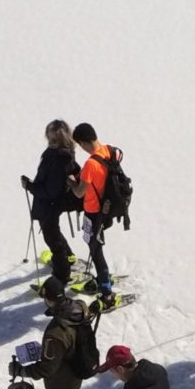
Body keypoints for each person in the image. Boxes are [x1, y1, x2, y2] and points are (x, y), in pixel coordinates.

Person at [22, 121, 81, 295]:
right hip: (52, 204)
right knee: (52, 231)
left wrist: (30, 186)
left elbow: (50, 191)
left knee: (52, 240)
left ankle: (61, 276)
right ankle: (68, 257)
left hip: (50, 204)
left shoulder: (57, 157)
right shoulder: (64, 153)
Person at [72, 123, 124, 306]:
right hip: (107, 210)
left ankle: (106, 291)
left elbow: (79, 192)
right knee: (95, 243)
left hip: (94, 212)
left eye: (80, 144)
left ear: (85, 142)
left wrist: (71, 182)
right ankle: (104, 279)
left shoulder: (90, 165)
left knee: (95, 248)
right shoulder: (109, 151)